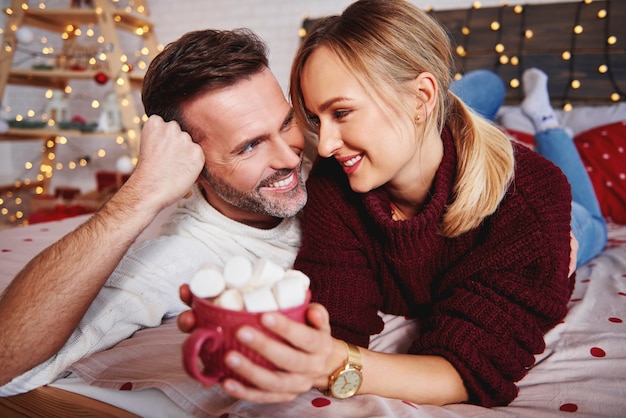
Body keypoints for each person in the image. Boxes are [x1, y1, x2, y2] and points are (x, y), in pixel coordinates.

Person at [281, 0, 574, 407]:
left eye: (342, 112)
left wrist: (335, 363)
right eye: (316, 119)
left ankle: (545, 122)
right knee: (483, 88)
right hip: (451, 140)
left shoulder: (531, 196)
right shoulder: (333, 187)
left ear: (421, 97)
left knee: (584, 230)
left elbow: (468, 369)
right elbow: (335, 321)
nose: (326, 146)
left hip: (556, 215)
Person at [0, 28, 317, 395]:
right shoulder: (181, 257)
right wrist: (139, 195)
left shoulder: (331, 151)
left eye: (286, 123)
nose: (291, 156)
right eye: (250, 146)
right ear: (192, 162)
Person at [450, 68, 607, 267]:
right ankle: (546, 120)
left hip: (487, 183)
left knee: (490, 84)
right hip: (503, 203)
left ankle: (546, 121)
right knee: (595, 226)